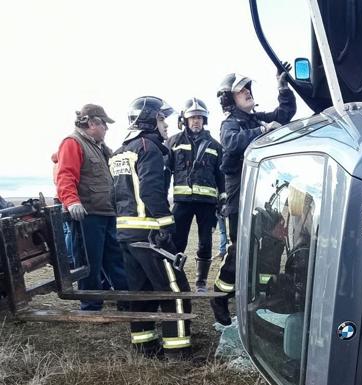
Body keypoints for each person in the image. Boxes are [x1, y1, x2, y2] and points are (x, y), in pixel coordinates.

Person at [212, 63, 296, 325]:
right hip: (239, 202)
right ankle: (219, 295)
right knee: (239, 252)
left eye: (248, 88)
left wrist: (283, 87)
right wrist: (261, 131)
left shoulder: (252, 119)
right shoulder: (231, 125)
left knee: (266, 251)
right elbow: (232, 142)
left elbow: (284, 114)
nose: (248, 92)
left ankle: (256, 300)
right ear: (229, 99)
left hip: (260, 199)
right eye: (241, 90)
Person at [110, 96, 192, 359]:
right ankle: (177, 352)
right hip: (149, 235)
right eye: (161, 118)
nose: (166, 124)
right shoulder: (149, 147)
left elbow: (116, 195)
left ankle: (144, 346)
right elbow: (151, 191)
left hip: (127, 234)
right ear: (149, 119)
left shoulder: (119, 152)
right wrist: (166, 226)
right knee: (175, 291)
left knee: (140, 292)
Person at [55, 104, 129, 311]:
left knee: (115, 259)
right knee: (90, 263)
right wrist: (72, 202)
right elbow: (65, 175)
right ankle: (90, 305)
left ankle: (127, 299)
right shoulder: (73, 143)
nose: (107, 128)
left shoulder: (98, 147)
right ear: (91, 123)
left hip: (106, 212)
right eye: (104, 124)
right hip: (88, 214)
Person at [165, 98, 225, 293]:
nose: (196, 121)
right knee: (177, 241)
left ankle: (200, 283)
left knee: (205, 241)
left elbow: (220, 175)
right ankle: (178, 279)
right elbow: (166, 172)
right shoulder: (173, 142)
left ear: (204, 120)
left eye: (199, 117)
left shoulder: (215, 145)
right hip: (182, 202)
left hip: (207, 203)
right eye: (192, 118)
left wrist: (222, 199)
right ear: (185, 120)